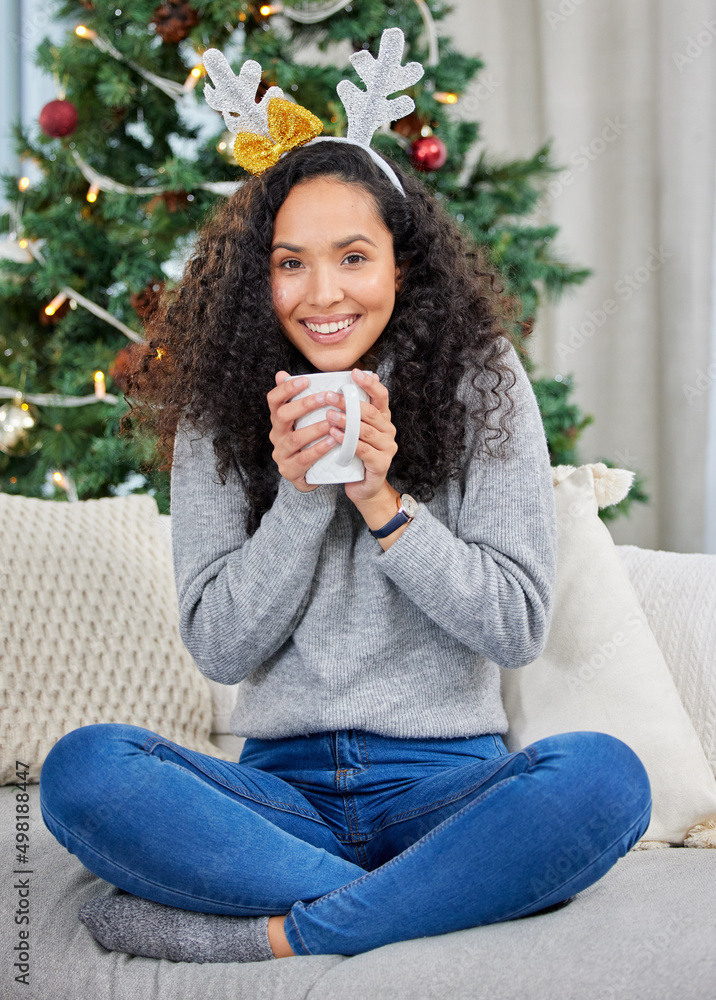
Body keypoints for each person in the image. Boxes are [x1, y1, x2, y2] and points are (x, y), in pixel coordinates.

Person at [39, 41, 652, 965]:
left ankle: (279, 931)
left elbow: (516, 626)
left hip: (446, 789)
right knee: (84, 771)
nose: (322, 295)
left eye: (353, 257)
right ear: (262, 277)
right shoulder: (218, 403)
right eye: (291, 264)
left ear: (401, 264)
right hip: (277, 797)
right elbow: (219, 645)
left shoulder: (480, 383)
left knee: (607, 781)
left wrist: (379, 498)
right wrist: (298, 498)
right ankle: (427, 895)